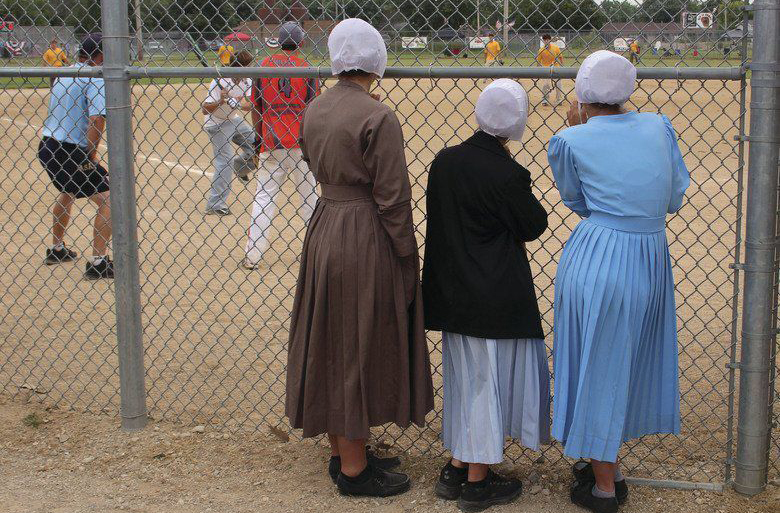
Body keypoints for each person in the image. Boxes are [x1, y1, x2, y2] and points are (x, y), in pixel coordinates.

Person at [285, 18, 434, 498]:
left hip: (325, 223)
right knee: (357, 337)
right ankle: (354, 470)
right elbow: (392, 196)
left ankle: (342, 450)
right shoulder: (378, 116)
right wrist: (406, 256)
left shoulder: (314, 108)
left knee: (330, 334)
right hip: (364, 229)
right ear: (376, 61)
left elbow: (312, 162)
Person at [548, 50, 689, 513]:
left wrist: (580, 127)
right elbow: (673, 199)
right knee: (621, 359)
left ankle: (604, 486)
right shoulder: (658, 127)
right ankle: (605, 468)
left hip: (596, 253)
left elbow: (577, 200)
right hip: (648, 253)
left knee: (596, 360)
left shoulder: (570, 140)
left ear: (583, 93)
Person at [422, 79, 550, 512]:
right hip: (495, 294)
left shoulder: (445, 161)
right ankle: (476, 482)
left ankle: (459, 463)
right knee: (485, 383)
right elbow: (533, 225)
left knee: (466, 379)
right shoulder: (509, 173)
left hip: (455, 292)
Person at [242, 21, 319, 270]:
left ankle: (252, 255)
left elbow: (256, 106)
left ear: (277, 40)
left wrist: (259, 135)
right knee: (309, 198)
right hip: (300, 140)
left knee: (264, 197)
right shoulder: (306, 68)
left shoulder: (263, 66)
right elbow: (314, 107)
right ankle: (316, 252)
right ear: (300, 43)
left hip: (271, 138)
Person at [38, 34, 113, 280]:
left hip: (48, 146)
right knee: (109, 200)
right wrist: (89, 155)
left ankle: (57, 249)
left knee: (68, 191)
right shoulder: (95, 78)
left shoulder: (65, 71)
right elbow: (96, 119)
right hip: (71, 150)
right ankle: (98, 263)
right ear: (100, 55)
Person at [201, 50, 255, 216]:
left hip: (233, 119)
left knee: (259, 145)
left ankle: (240, 167)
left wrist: (237, 104)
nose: (250, 69)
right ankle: (215, 204)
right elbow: (204, 109)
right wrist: (221, 101)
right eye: (247, 66)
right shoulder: (219, 80)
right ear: (238, 66)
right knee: (225, 161)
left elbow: (251, 104)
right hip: (216, 123)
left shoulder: (247, 80)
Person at [536, 34, 563, 106]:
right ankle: (545, 99)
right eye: (545, 39)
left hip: (556, 68)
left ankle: (559, 100)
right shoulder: (541, 50)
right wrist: (538, 70)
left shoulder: (556, 48)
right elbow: (538, 61)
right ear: (543, 40)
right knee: (545, 85)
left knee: (558, 84)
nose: (546, 41)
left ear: (550, 40)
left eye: (548, 39)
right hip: (545, 69)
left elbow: (560, 57)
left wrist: (562, 66)